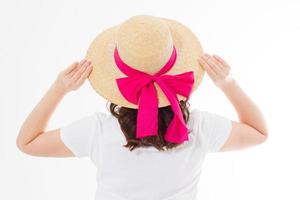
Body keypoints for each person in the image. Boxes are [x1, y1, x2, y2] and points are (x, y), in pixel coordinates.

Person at [16, 15, 268, 200]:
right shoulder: (199, 127)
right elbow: (259, 132)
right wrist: (228, 84)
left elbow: (27, 142)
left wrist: (59, 89)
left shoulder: (97, 131)